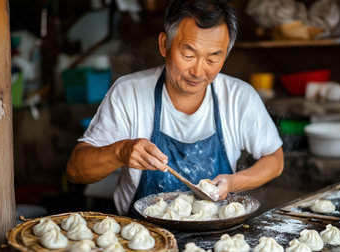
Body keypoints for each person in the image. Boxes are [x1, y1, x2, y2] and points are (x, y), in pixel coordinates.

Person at [66, 0, 284, 216]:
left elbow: (275, 160)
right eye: (188, 55)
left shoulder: (239, 97)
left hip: (214, 237)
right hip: (142, 237)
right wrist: (120, 152)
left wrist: (233, 182)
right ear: (164, 45)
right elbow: (76, 171)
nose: (198, 71)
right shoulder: (128, 92)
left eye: (212, 59)